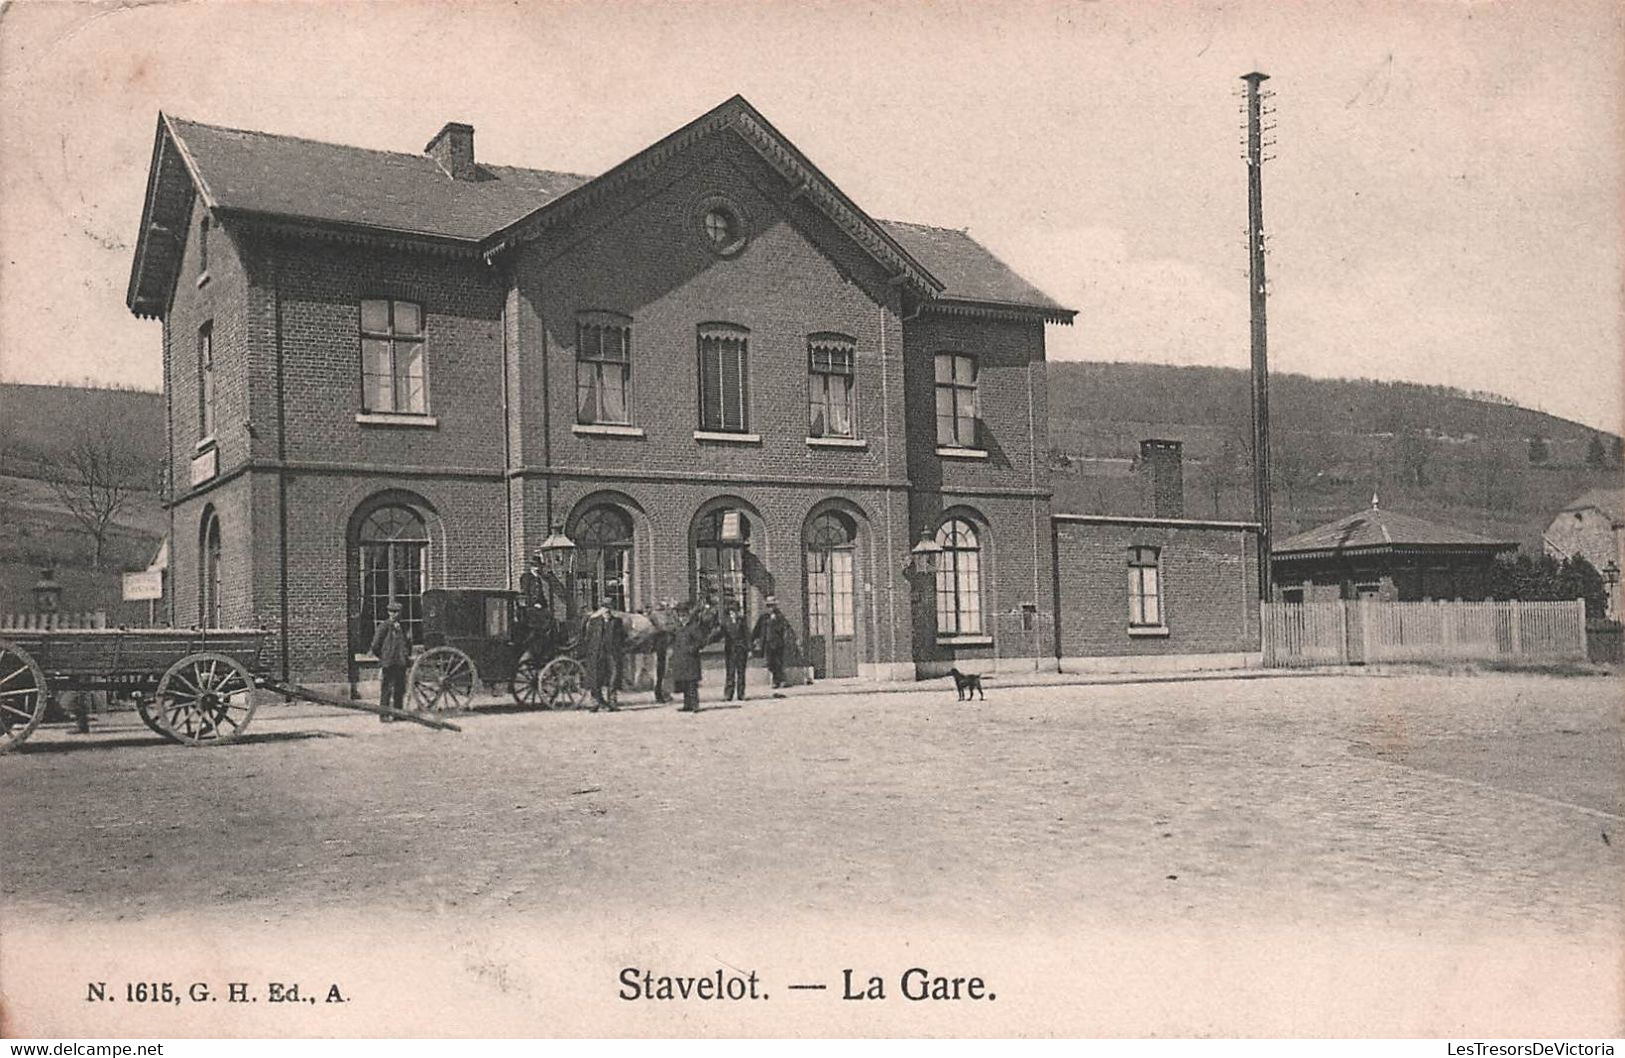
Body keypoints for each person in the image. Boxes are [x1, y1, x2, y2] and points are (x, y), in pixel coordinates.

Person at [581, 594, 625, 712]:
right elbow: (589, 638)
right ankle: (596, 702)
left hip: (612, 653)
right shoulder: (595, 622)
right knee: (596, 677)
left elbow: (622, 638)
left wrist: (618, 650)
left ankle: (612, 702)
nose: (607, 610)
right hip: (597, 653)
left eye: (609, 608)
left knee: (613, 677)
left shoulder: (617, 622)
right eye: (605, 608)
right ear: (601, 609)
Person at [369, 600, 411, 723]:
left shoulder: (403, 627)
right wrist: (383, 657)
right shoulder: (384, 627)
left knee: (399, 689)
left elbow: (408, 643)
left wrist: (406, 655)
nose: (394, 615)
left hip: (401, 662)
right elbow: (375, 645)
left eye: (397, 612)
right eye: (392, 612)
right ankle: (384, 715)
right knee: (386, 689)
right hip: (388, 662)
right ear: (388, 613)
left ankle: (398, 714)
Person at [668, 610, 708, 713]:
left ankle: (695, 705)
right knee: (684, 683)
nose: (682, 618)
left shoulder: (693, 627)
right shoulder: (679, 628)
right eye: (681, 616)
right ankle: (687, 704)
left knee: (691, 683)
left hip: (691, 659)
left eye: (684, 616)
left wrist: (692, 649)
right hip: (681, 659)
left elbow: (702, 641)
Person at [751, 595, 794, 689]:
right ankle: (777, 679)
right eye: (768, 606)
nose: (770, 608)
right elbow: (757, 630)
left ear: (775, 606)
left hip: (778, 643)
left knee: (778, 662)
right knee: (770, 663)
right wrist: (753, 640)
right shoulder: (763, 617)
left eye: (772, 606)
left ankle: (779, 681)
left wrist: (776, 621)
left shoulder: (779, 616)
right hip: (767, 643)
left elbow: (784, 628)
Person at [717, 598, 750, 701]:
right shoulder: (725, 623)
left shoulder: (742, 621)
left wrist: (749, 649)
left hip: (741, 650)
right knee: (730, 672)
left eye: (735, 611)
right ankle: (728, 694)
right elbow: (719, 634)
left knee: (741, 672)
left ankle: (741, 694)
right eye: (731, 611)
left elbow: (747, 635)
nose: (733, 613)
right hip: (730, 650)